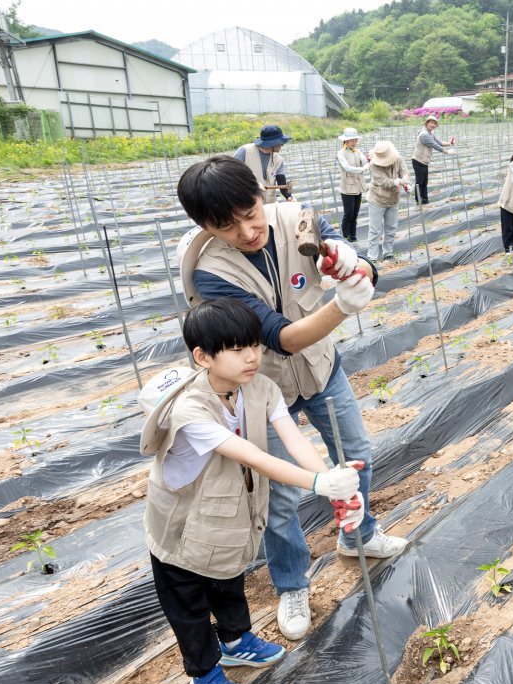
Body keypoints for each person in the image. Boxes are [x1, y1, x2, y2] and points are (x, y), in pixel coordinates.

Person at [175, 156, 410, 643]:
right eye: (227, 225)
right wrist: (344, 305)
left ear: (260, 195)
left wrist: (354, 263)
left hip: (323, 371)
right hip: (264, 389)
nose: (247, 230)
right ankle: (291, 584)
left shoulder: (296, 218)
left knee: (356, 456)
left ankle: (358, 537)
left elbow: (356, 258)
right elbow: (282, 338)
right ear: (204, 227)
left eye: (250, 212)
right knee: (280, 493)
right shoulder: (210, 273)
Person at [139, 298, 365, 684]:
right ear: (203, 357)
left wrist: (334, 484)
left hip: (225, 518)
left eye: (256, 346)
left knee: (227, 577)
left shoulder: (261, 387)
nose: (252, 357)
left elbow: (293, 439)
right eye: (237, 349)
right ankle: (204, 674)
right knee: (189, 604)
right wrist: (319, 482)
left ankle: (236, 641)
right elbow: (251, 456)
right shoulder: (191, 409)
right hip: (179, 526)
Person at [364, 140, 410, 262]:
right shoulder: (374, 165)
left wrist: (407, 182)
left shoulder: (398, 158)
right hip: (377, 200)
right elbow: (384, 182)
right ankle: (372, 256)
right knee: (375, 230)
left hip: (394, 199)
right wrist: (398, 182)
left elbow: (405, 172)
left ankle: (388, 253)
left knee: (391, 227)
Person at [234, 124, 292, 203]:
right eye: (280, 143)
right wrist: (252, 184)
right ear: (273, 144)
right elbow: (232, 176)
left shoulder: (278, 160)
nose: (282, 145)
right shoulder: (245, 151)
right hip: (249, 203)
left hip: (270, 204)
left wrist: (289, 197)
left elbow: (282, 183)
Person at [412, 115, 455, 205]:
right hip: (418, 160)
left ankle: (425, 200)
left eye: (435, 123)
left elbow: (439, 142)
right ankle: (419, 201)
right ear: (427, 123)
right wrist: (447, 152)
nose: (433, 125)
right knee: (419, 182)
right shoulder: (424, 134)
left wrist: (449, 143)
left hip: (424, 161)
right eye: (431, 123)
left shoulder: (430, 133)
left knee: (424, 182)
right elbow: (434, 145)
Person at [336, 127, 369, 243]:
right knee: (348, 214)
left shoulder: (358, 151)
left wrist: (367, 161)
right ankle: (345, 236)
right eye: (352, 140)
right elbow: (346, 167)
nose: (354, 142)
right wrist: (362, 169)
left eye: (355, 140)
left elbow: (365, 161)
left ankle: (353, 236)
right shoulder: (341, 153)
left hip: (358, 186)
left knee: (355, 213)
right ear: (346, 141)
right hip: (347, 188)